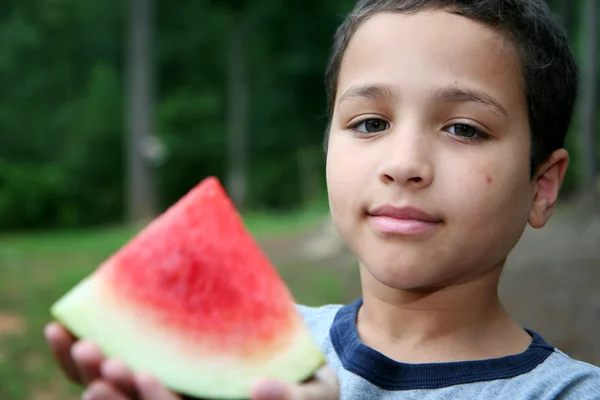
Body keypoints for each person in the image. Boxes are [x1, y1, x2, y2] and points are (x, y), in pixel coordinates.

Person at [45, 0, 600, 399]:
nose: (402, 163)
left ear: (542, 186)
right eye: (370, 122)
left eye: (463, 129)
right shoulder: (269, 349)